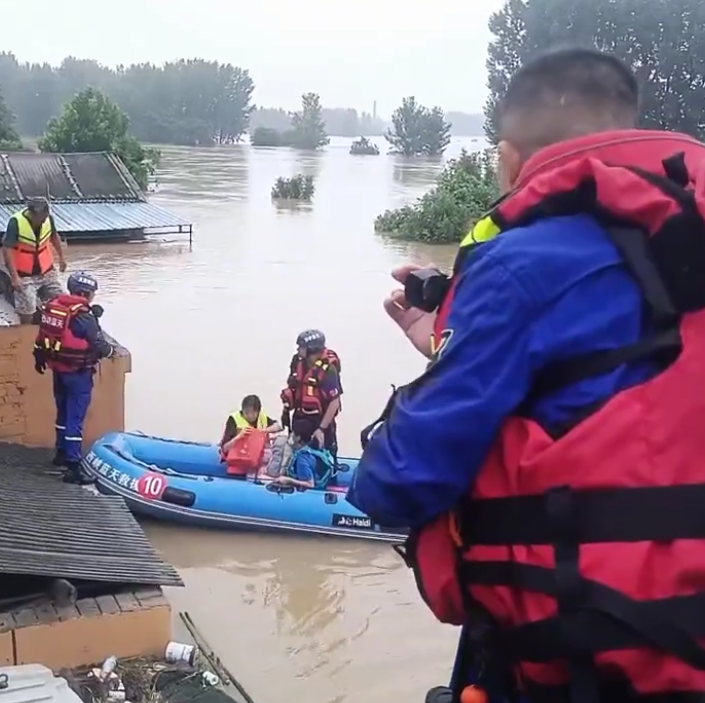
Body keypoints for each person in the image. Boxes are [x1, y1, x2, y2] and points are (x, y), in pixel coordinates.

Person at [350, 47, 705, 703]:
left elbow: (400, 480)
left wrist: (450, 364)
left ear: (511, 158)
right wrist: (450, 343)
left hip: (587, 661)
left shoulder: (522, 266)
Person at [33, 271, 113, 484]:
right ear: (86, 293)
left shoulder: (54, 307)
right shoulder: (83, 316)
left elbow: (41, 335)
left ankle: (60, 453)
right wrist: (111, 352)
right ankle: (73, 466)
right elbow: (100, 344)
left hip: (57, 368)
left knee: (62, 412)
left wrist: (39, 358)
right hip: (78, 372)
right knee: (75, 419)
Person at [3, 197, 68, 324]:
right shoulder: (15, 222)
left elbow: (54, 236)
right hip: (24, 274)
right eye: (41, 217)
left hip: (46, 270)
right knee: (27, 308)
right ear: (32, 214)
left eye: (45, 216)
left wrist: (61, 258)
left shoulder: (48, 219)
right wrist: (14, 277)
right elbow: (7, 249)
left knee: (60, 300)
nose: (44, 220)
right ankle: (26, 332)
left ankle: (54, 330)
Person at [280, 329, 342, 458]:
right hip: (300, 420)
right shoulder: (297, 362)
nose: (298, 350)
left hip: (320, 422)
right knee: (296, 459)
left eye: (301, 347)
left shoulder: (328, 370)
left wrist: (321, 429)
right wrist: (286, 409)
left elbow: (334, 402)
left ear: (312, 350)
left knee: (322, 462)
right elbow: (293, 386)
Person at [272, 416, 335, 490]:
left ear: (298, 437)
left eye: (293, 433)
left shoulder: (302, 458)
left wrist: (288, 480)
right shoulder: (312, 448)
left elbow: (310, 484)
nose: (291, 435)